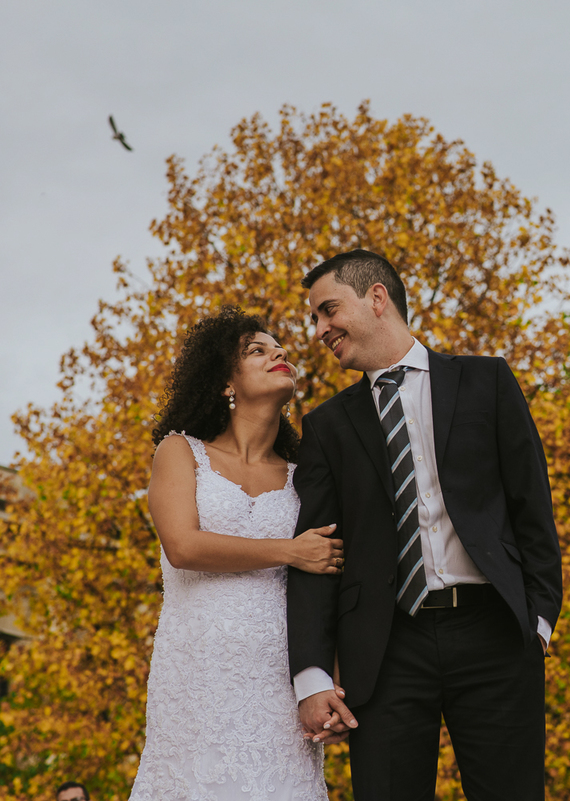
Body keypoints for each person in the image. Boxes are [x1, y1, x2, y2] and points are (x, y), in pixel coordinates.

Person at [287, 249, 563, 800]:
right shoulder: (325, 427)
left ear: (377, 297)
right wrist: (312, 676)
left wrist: (538, 620)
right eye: (315, 318)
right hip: (384, 651)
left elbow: (532, 503)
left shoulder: (487, 380)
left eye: (327, 310)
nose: (319, 329)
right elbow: (317, 554)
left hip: (496, 634)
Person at [130, 307, 342, 800]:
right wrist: (291, 551)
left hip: (279, 679)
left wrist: (328, 678)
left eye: (280, 348)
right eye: (257, 350)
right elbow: (183, 546)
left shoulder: (303, 475)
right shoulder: (181, 451)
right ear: (225, 380)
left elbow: (330, 575)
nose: (279, 354)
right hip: (198, 670)